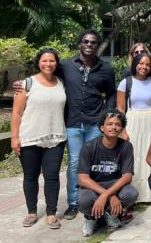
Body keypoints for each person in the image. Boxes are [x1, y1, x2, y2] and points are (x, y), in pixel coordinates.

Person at [54, 30, 117, 220]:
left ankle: (94, 198)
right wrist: (25, 84)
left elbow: (112, 93)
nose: (89, 44)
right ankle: (73, 202)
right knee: (75, 162)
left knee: (94, 162)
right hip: (73, 122)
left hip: (94, 123)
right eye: (86, 41)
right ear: (79, 44)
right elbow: (46, 74)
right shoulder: (65, 65)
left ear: (97, 46)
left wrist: (107, 115)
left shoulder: (105, 69)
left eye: (93, 42)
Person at [11, 49, 67, 229]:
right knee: (30, 176)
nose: (48, 64)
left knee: (52, 176)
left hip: (56, 137)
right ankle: (32, 212)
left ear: (56, 63)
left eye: (52, 61)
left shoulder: (61, 83)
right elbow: (17, 113)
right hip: (30, 137)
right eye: (44, 60)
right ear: (38, 62)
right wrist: (14, 137)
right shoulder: (27, 84)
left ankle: (51, 214)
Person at [78, 110, 137, 237]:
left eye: (117, 124)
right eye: (109, 124)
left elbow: (127, 177)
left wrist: (107, 194)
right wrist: (108, 196)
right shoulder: (89, 147)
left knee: (131, 193)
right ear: (102, 128)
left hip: (115, 185)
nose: (114, 127)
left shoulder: (126, 146)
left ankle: (111, 213)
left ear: (121, 128)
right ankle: (90, 218)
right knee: (84, 200)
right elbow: (83, 179)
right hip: (94, 185)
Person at [117, 52, 151, 203]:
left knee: (149, 155)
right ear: (135, 64)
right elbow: (120, 108)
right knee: (133, 156)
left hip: (150, 120)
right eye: (141, 63)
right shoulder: (126, 82)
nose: (144, 67)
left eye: (148, 64)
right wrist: (122, 130)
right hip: (132, 120)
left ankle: (149, 193)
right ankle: (133, 193)